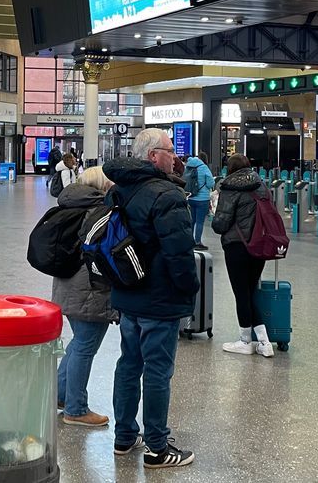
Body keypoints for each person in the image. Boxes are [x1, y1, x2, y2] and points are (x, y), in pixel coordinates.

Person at [104, 128, 198, 469]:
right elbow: (179, 253)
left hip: (127, 292)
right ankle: (157, 448)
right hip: (159, 298)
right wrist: (189, 289)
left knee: (129, 364)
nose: (175, 157)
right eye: (169, 151)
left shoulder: (119, 189)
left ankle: (124, 436)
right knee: (158, 370)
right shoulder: (166, 194)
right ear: (152, 156)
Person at [53, 168, 117, 428]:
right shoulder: (99, 212)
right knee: (86, 345)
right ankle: (76, 409)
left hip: (67, 283)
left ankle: (61, 394)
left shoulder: (71, 206)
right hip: (90, 288)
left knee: (79, 342)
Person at [211, 154, 274, 358]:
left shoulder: (229, 188)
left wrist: (214, 212)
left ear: (230, 169)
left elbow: (220, 224)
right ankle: (264, 342)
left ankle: (246, 341)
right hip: (259, 246)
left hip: (237, 246)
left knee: (241, 293)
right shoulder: (261, 186)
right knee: (250, 291)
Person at [183, 151, 216, 250]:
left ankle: (189, 241)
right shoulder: (204, 167)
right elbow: (210, 183)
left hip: (190, 197)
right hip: (202, 199)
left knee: (192, 221)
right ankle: (197, 242)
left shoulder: (188, 167)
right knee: (200, 222)